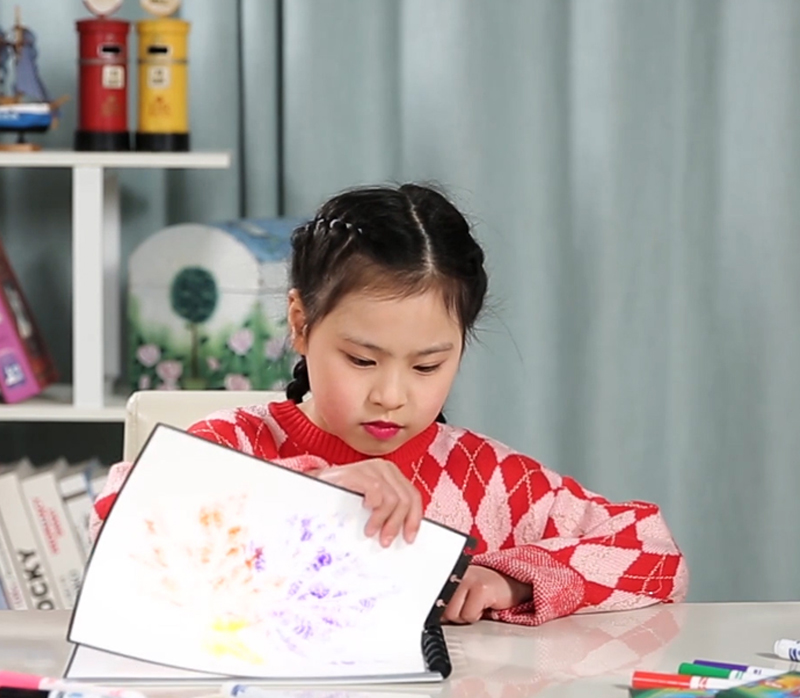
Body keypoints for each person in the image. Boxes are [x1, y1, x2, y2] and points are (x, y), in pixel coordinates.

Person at [92, 184, 688, 626]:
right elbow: (115, 525)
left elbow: (653, 552)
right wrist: (310, 491)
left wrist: (510, 578)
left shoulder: (487, 480)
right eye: (361, 360)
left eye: (427, 366)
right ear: (301, 324)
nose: (392, 395)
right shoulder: (237, 445)